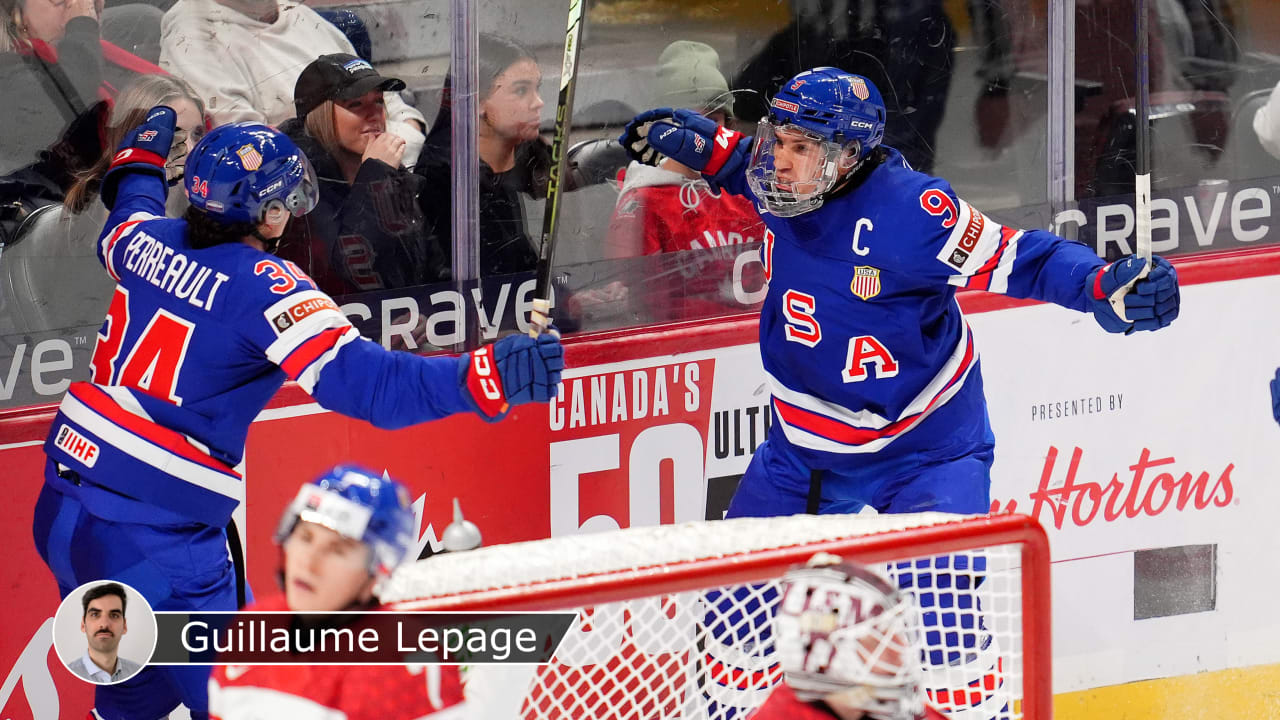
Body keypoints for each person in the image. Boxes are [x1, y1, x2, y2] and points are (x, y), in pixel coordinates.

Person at [622, 67, 1177, 710]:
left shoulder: (915, 213)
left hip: (928, 447)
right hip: (806, 448)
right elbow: (736, 158)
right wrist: (705, 145)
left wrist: (1100, 286)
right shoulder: (773, 178)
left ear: (848, 155)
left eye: (801, 148)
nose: (778, 160)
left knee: (943, 621)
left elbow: (1023, 258)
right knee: (735, 608)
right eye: (778, 138)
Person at [30, 106, 563, 719]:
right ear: (270, 213)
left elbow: (128, 205)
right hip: (157, 539)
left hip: (62, 513)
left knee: (131, 686)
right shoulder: (266, 284)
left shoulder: (143, 241)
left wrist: (140, 159)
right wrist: (488, 376)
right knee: (252, 702)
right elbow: (370, 387)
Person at [208, 465, 465, 719]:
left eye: (337, 550)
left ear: (379, 570)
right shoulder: (254, 628)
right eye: (306, 537)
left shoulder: (405, 666)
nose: (309, 562)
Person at [603, 40, 765, 322]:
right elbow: (642, 306)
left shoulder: (750, 187)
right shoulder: (643, 203)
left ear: (728, 125)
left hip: (756, 342)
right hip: (684, 350)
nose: (696, 136)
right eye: (685, 121)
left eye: (710, 119)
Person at [158, 0, 425, 159]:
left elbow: (395, 107)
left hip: (382, 175)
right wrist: (388, 149)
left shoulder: (297, 14)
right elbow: (250, 154)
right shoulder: (193, 37)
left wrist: (399, 144)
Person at [276, 54, 445, 295]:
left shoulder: (391, 172)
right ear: (320, 115)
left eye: (378, 101)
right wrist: (375, 178)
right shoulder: (301, 186)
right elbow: (348, 272)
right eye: (355, 104)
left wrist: (429, 313)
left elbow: (432, 266)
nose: (373, 114)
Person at [0, 0, 163, 235]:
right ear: (17, 16)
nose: (80, 6)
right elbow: (69, 94)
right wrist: (82, 26)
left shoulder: (121, 58)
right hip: (59, 232)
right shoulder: (11, 78)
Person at [415, 33, 550, 278]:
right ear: (475, 100)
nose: (538, 102)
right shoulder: (446, 177)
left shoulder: (501, 157)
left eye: (536, 88)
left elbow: (520, 258)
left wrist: (567, 299)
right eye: (521, 91)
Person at [752, 555, 945, 720]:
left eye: (897, 635)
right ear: (825, 653)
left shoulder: (912, 712)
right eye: (878, 642)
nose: (899, 651)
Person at [66, 582, 145, 684]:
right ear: (83, 625)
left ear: (124, 626)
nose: (104, 624)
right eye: (95, 614)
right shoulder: (65, 677)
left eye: (114, 615)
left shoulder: (140, 675)